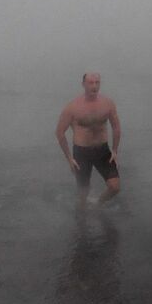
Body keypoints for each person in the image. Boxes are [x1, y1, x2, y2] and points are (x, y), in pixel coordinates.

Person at [55, 71, 122, 208]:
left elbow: (116, 127)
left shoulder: (107, 103)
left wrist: (114, 150)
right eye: (90, 83)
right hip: (81, 152)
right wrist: (69, 158)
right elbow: (60, 133)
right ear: (83, 84)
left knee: (114, 187)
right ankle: (81, 216)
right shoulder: (72, 107)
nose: (94, 86)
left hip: (102, 150)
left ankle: (98, 203)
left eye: (97, 82)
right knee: (83, 193)